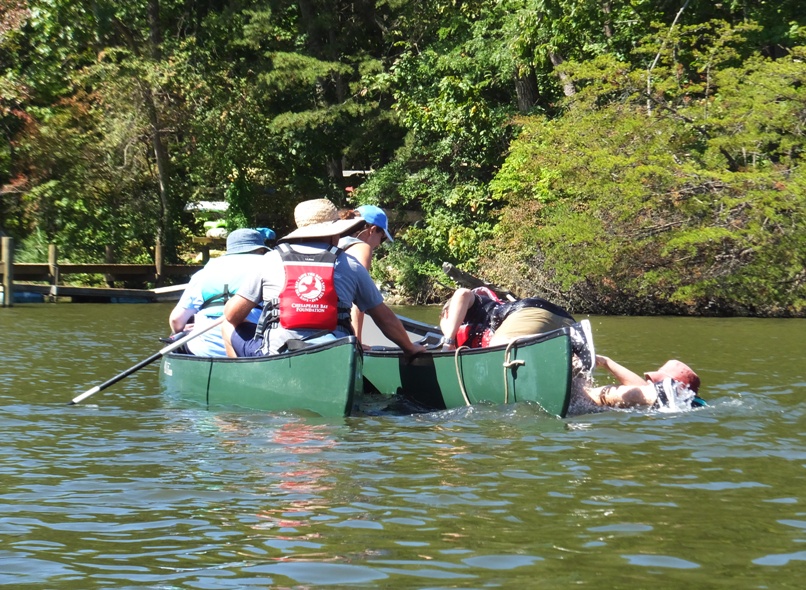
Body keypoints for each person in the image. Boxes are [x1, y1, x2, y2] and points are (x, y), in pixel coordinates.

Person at [221, 199, 426, 359]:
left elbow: (232, 316)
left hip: (278, 353)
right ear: (334, 231)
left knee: (227, 326)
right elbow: (384, 317)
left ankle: (245, 378)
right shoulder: (351, 264)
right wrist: (409, 348)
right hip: (335, 353)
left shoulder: (270, 259)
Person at [168, 228, 269, 356]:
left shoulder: (203, 273)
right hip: (249, 349)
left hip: (203, 350)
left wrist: (182, 331)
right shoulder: (269, 268)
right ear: (261, 250)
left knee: (176, 338)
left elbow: (176, 320)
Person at [438, 286, 576, 350]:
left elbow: (462, 293)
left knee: (497, 347)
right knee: (582, 393)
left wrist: (448, 340)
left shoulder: (474, 304)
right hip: (564, 320)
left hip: (530, 312)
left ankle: (560, 343)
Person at [336, 204, 393, 342]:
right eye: (382, 237)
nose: (379, 244)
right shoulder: (361, 248)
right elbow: (358, 299)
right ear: (372, 230)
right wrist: (356, 342)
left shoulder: (335, 240)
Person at [581, 356, 706, 410]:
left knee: (610, 392)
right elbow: (641, 387)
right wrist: (606, 361)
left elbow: (642, 388)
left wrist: (606, 362)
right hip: (666, 399)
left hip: (664, 401)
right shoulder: (696, 403)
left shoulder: (657, 394)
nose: (648, 381)